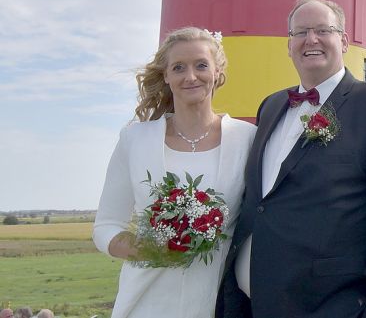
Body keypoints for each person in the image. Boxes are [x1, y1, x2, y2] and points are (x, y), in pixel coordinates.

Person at [218, 0, 366, 318]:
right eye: (300, 32)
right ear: (288, 45)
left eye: (322, 30)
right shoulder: (271, 106)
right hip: (249, 306)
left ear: (343, 41)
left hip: (330, 307)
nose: (310, 39)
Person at [93, 27, 256, 318]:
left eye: (201, 65)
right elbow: (105, 226)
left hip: (217, 304)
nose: (191, 76)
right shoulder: (135, 139)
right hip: (145, 303)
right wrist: (147, 249)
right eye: (178, 67)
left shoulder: (248, 138)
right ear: (166, 75)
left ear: (217, 71)